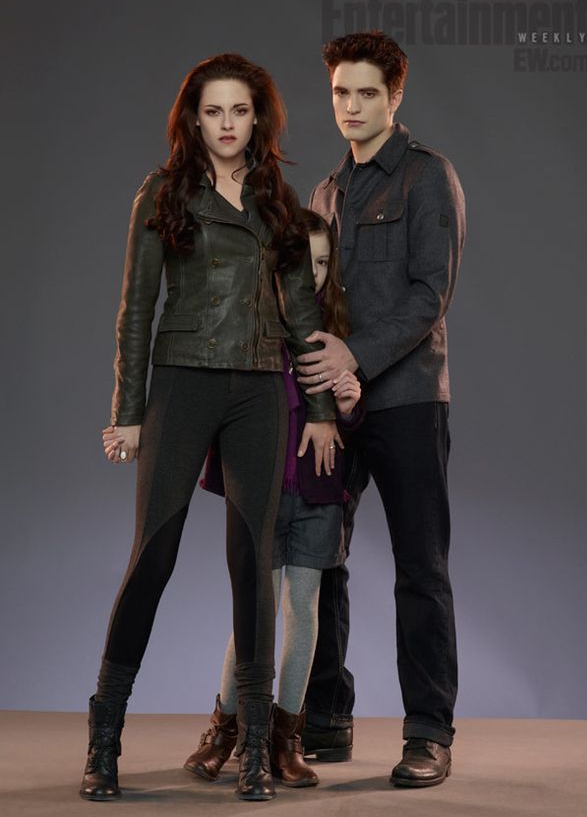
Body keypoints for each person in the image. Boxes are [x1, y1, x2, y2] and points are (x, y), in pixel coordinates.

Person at [79, 53, 338, 804]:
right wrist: (128, 411)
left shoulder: (277, 200)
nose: (228, 124)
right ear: (194, 119)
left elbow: (303, 313)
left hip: (259, 390)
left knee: (253, 563)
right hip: (183, 381)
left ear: (260, 119)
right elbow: (136, 308)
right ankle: (104, 740)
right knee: (153, 555)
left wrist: (322, 412)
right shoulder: (164, 192)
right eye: (214, 111)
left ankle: (254, 748)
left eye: (241, 111)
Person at [295, 31, 466, 788]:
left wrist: (355, 359)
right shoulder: (325, 192)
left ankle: (429, 732)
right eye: (341, 92)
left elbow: (431, 293)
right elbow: (308, 298)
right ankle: (327, 715)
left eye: (368, 93)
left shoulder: (428, 176)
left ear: (396, 96)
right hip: (332, 409)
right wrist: (320, 389)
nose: (352, 106)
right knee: (318, 557)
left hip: (405, 400)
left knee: (419, 567)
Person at [183, 209, 363, 789]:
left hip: (319, 495)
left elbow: (351, 423)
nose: (312, 274)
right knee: (254, 612)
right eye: (301, 262)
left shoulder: (334, 336)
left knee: (303, 611)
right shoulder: (251, 328)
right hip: (262, 495)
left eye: (322, 262)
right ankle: (227, 730)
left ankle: (286, 738)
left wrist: (349, 405)